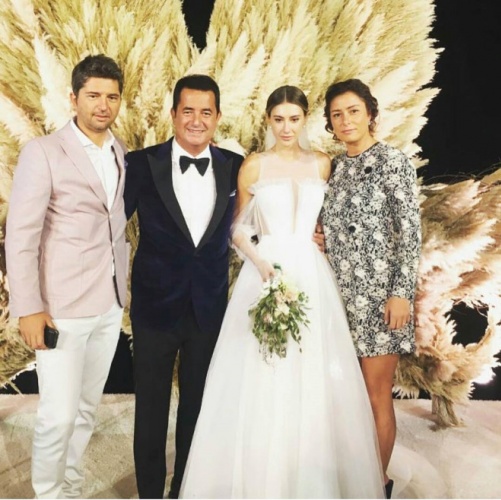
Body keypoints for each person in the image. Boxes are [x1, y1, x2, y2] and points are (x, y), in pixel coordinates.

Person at [180, 85, 385, 498]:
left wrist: (323, 236)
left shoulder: (323, 164)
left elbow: (332, 218)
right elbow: (237, 228)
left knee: (313, 369)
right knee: (261, 371)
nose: (286, 128)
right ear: (268, 121)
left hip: (311, 271)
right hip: (265, 270)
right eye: (278, 119)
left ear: (305, 119)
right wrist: (260, 263)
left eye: (294, 119)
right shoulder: (254, 165)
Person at [5, 54, 127, 499]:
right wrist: (29, 308)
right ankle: (48, 492)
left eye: (111, 97)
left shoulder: (119, 150)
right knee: (57, 415)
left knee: (86, 409)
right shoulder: (43, 152)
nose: (103, 105)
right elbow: (21, 235)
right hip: (60, 309)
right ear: (73, 99)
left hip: (109, 304)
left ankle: (71, 486)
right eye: (93, 95)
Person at [124, 74, 244, 499]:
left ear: (218, 117)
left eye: (205, 112)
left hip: (208, 309)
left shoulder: (236, 166)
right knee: (150, 411)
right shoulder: (142, 164)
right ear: (173, 114)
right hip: (154, 308)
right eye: (188, 111)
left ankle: (184, 490)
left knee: (198, 408)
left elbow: (257, 224)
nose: (196, 120)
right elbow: (107, 225)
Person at [321, 78, 422, 498]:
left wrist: (401, 293)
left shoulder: (392, 162)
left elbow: (410, 232)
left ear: (371, 115)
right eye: (337, 114)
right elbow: (336, 226)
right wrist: (321, 238)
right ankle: (354, 475)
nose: (346, 121)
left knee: (375, 393)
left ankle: (376, 484)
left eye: (353, 111)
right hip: (339, 298)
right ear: (330, 123)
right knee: (348, 394)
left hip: (381, 299)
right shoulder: (334, 168)